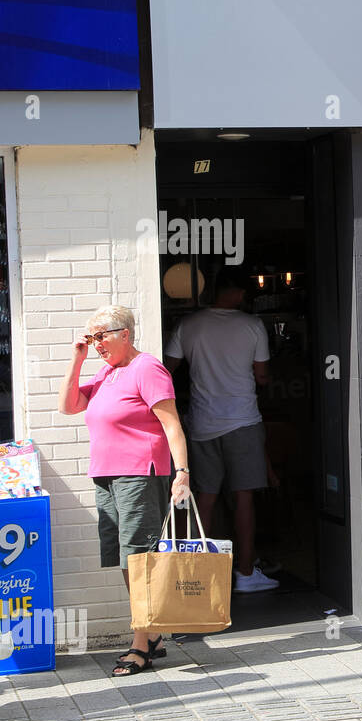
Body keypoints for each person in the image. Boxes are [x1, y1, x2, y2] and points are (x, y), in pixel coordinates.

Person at [59, 306, 190, 678]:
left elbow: (172, 424)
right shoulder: (105, 372)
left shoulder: (146, 369)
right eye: (91, 337)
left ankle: (140, 645)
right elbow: (67, 405)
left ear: (125, 334)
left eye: (101, 336)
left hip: (139, 475)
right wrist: (77, 358)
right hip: (107, 476)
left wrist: (181, 472)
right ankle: (152, 636)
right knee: (124, 558)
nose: (96, 343)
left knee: (139, 560)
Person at [164, 269, 278, 593]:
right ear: (241, 293)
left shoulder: (189, 325)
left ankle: (195, 575)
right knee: (244, 498)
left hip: (202, 423)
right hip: (243, 420)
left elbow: (166, 370)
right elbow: (262, 375)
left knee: (205, 499)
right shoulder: (253, 326)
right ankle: (245, 572)